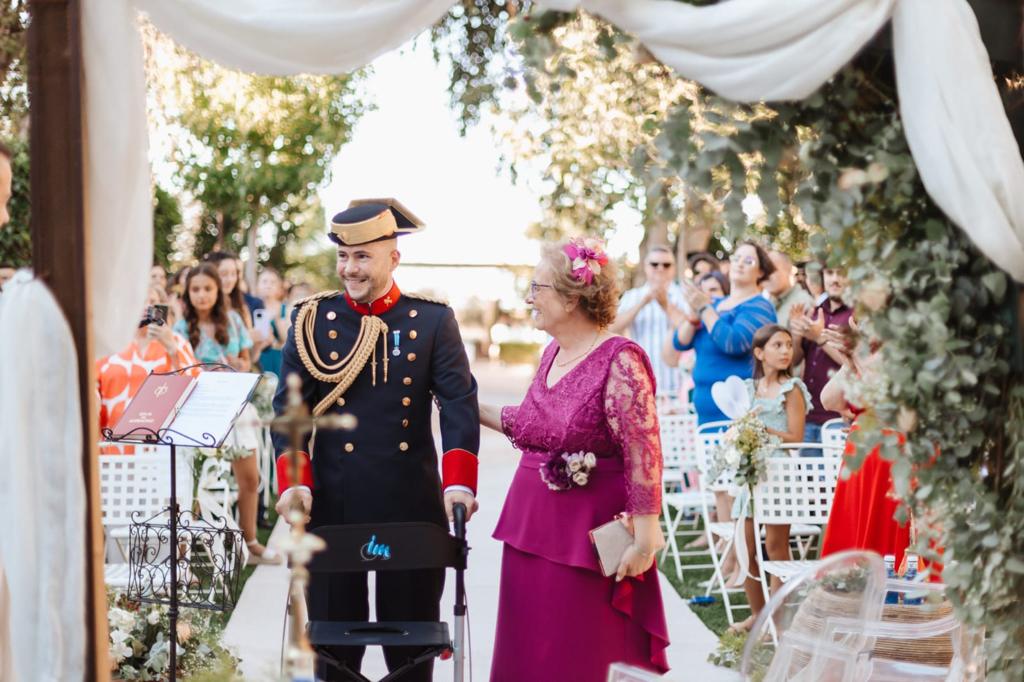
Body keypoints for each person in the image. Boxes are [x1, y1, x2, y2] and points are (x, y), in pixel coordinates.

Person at [272, 198, 479, 682]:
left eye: (362, 256)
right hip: (331, 507)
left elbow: (458, 404)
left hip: (409, 507)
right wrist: (293, 483)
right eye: (343, 257)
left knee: (410, 653)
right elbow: (291, 411)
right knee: (332, 652)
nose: (350, 268)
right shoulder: (309, 321)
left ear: (393, 257)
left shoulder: (431, 322)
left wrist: (459, 485)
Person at [479, 237, 669, 681]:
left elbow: (644, 449)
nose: (529, 297)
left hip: (585, 537)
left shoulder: (620, 360)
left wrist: (645, 536)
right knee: (531, 645)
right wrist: (463, 402)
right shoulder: (551, 354)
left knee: (578, 647)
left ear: (571, 296)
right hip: (532, 527)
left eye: (536, 287)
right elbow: (530, 424)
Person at [670, 241, 777, 581]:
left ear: (761, 270)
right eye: (737, 258)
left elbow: (732, 341)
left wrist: (706, 310)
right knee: (719, 490)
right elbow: (680, 344)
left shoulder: (760, 307)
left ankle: (740, 566)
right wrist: (694, 312)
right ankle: (729, 563)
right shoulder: (711, 305)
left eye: (750, 259)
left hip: (737, 414)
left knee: (738, 493)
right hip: (705, 412)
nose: (741, 263)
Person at [172, 262, 276, 562]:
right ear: (188, 293)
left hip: (232, 404)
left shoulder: (232, 320)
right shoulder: (180, 328)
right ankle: (182, 551)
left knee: (249, 477)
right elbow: (178, 370)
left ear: (218, 291)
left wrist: (239, 364)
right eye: (196, 289)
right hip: (196, 408)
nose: (202, 295)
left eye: (208, 289)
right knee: (189, 479)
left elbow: (246, 361)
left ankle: (251, 540)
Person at [730, 324, 810, 633]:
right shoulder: (749, 390)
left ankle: (777, 622)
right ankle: (757, 615)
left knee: (776, 547)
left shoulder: (793, 390)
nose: (786, 351)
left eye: (789, 345)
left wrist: (763, 433)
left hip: (779, 475)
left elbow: (796, 438)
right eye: (777, 345)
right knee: (745, 548)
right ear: (759, 353)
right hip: (750, 475)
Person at [97, 286, 199, 436]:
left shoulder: (177, 341)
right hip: (115, 442)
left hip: (163, 440)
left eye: (152, 301)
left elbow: (195, 383)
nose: (146, 306)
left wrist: (172, 348)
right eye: (139, 301)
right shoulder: (110, 344)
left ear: (161, 307)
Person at [610, 245, 688, 399]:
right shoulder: (632, 296)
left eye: (666, 265)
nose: (660, 269)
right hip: (641, 388)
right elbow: (612, 328)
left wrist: (665, 304)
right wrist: (642, 303)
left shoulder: (684, 296)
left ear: (673, 268)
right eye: (654, 264)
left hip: (678, 389)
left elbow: (689, 330)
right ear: (646, 267)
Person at [790, 265, 852, 450]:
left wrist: (819, 338)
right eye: (830, 272)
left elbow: (854, 363)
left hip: (839, 417)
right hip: (809, 415)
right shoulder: (815, 311)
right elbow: (795, 360)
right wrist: (796, 333)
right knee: (808, 478)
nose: (834, 279)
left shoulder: (857, 316)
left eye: (841, 273)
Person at [199, 252, 255, 371]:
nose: (229, 280)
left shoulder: (239, 312)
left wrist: (238, 364)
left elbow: (247, 360)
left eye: (233, 274)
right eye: (223, 274)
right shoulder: (194, 313)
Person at [253, 266, 289, 378]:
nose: (268, 285)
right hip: (258, 357)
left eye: (272, 282)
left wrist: (277, 317)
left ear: (278, 288)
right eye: (264, 281)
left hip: (278, 359)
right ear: (258, 285)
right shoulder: (252, 308)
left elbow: (287, 338)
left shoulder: (285, 309)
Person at [765, 250, 813, 327]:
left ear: (788, 270)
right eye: (764, 270)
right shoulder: (767, 302)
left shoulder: (802, 303)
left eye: (772, 270)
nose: (767, 275)